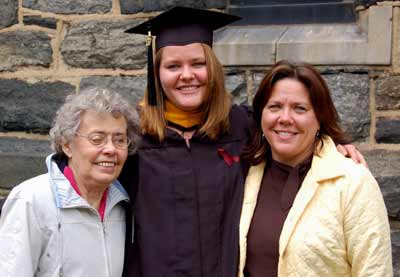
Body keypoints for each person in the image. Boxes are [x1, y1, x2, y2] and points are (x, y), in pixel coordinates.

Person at [121, 7, 367, 277]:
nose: (187, 75)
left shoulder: (242, 126)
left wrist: (333, 145)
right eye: (173, 66)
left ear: (212, 68)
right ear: (156, 73)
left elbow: (294, 135)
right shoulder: (131, 135)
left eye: (198, 63)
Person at [238, 60, 392, 277]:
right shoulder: (244, 175)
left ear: (319, 118)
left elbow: (374, 270)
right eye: (275, 107)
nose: (285, 118)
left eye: (299, 109)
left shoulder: (352, 183)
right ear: (261, 115)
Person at [0, 87, 140, 276]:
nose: (110, 149)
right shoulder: (31, 200)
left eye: (120, 140)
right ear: (67, 145)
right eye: (97, 139)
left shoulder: (123, 204)